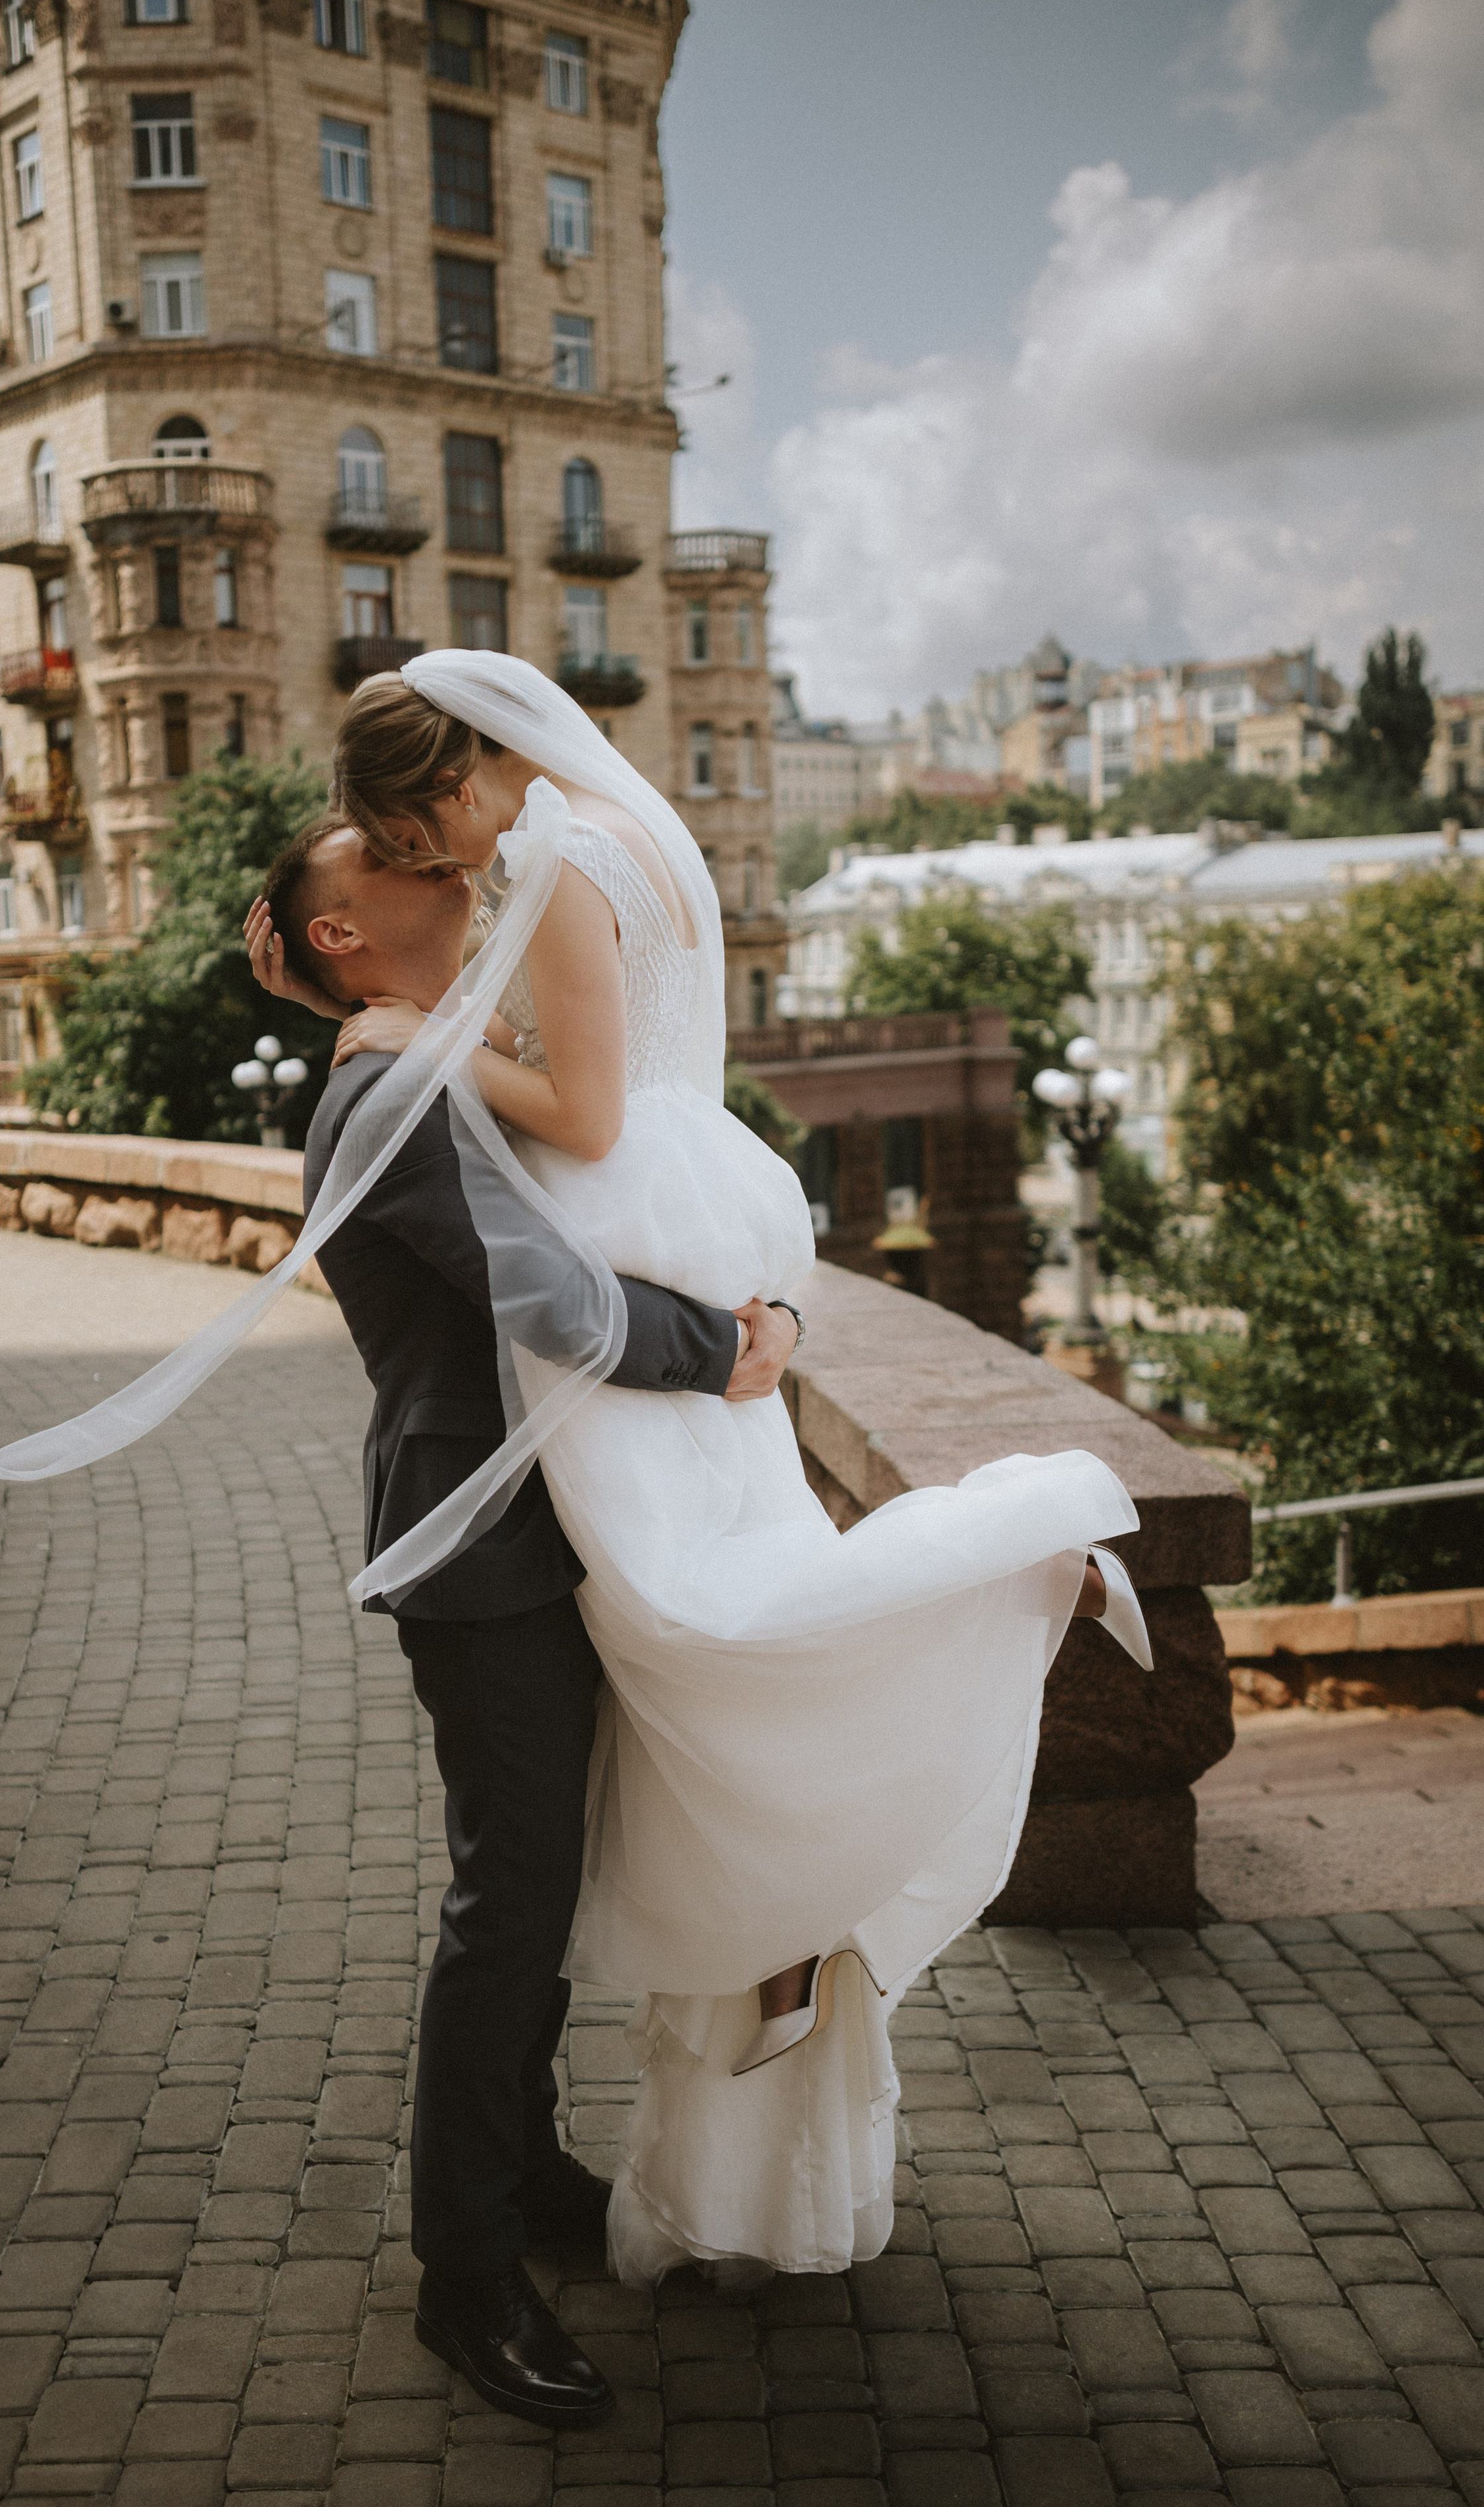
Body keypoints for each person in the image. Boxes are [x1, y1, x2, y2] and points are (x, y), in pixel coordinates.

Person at [246, 654, 1148, 2303]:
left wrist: (742, 1332)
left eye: (395, 827)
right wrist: (728, 1348)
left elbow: (573, 1195)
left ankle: (521, 2173)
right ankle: (465, 2275)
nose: (422, 864)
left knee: (553, 1871)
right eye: (378, 859)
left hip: (564, 1509)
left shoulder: (446, 1025)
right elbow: (548, 1294)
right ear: (337, 933)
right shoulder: (385, 1088)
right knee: (504, 1904)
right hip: (485, 1546)